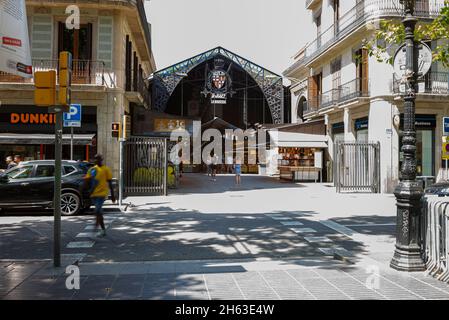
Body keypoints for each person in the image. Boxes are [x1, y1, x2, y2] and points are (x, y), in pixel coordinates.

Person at [84, 154, 115, 237]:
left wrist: (112, 195)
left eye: (98, 159)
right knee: (98, 213)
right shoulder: (92, 169)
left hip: (102, 194)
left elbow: (110, 182)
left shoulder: (106, 169)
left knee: (97, 211)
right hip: (94, 194)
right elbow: (87, 180)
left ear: (101, 159)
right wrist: (86, 188)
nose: (97, 160)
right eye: (95, 159)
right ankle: (103, 229)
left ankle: (96, 228)